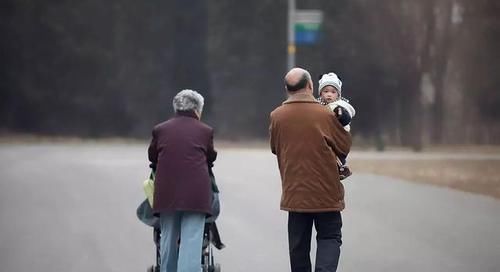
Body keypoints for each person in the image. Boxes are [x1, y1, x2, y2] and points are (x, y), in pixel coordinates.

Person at [269, 67, 352, 272]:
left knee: (298, 246)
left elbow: (274, 147)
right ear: (310, 86)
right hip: (326, 192)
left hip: (295, 192)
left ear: (288, 89)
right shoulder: (325, 114)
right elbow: (344, 146)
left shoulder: (277, 116)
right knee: (329, 237)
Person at [148, 89, 217, 272]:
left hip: (166, 193)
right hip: (196, 195)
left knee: (168, 237)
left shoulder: (160, 129)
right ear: (197, 110)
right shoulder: (205, 131)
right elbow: (211, 157)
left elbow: (152, 156)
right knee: (192, 239)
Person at [317, 72, 356, 180]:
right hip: (325, 133)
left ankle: (341, 167)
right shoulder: (317, 105)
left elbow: (347, 118)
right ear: (320, 93)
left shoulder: (341, 106)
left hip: (339, 134)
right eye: (326, 91)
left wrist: (340, 114)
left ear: (338, 94)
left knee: (335, 152)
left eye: (333, 92)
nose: (329, 94)